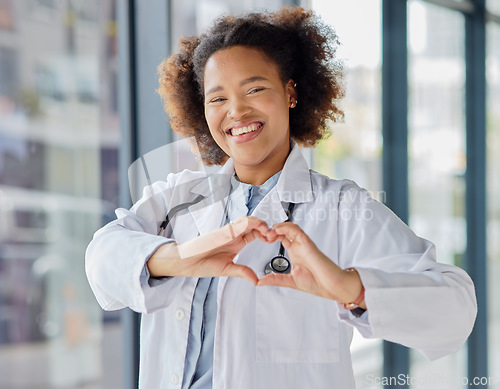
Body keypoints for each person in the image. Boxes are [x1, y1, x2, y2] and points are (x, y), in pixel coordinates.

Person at [85, 7, 477, 389]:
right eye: (217, 98)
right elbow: (103, 257)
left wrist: (350, 288)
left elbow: (455, 310)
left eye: (255, 89)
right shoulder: (179, 197)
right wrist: (181, 258)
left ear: (290, 92)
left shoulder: (342, 209)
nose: (236, 110)